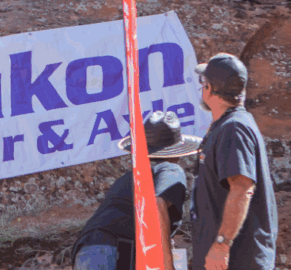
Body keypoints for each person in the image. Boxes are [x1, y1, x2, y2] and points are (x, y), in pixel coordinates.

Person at [72, 110, 199, 270]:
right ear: (176, 152)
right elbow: (158, 204)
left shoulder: (130, 178)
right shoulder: (171, 169)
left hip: (88, 248)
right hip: (109, 250)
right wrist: (167, 265)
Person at [191, 53, 277, 270]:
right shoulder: (228, 125)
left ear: (210, 89)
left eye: (204, 83)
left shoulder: (234, 128)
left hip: (238, 260)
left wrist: (222, 244)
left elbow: (242, 187)